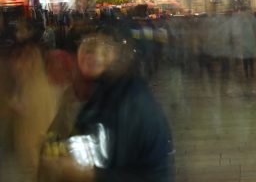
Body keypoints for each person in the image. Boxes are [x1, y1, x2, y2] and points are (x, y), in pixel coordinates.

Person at [40, 29, 174, 182]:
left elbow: (150, 175)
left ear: (122, 53)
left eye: (105, 45)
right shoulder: (92, 93)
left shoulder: (133, 101)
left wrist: (89, 175)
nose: (94, 52)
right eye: (88, 44)